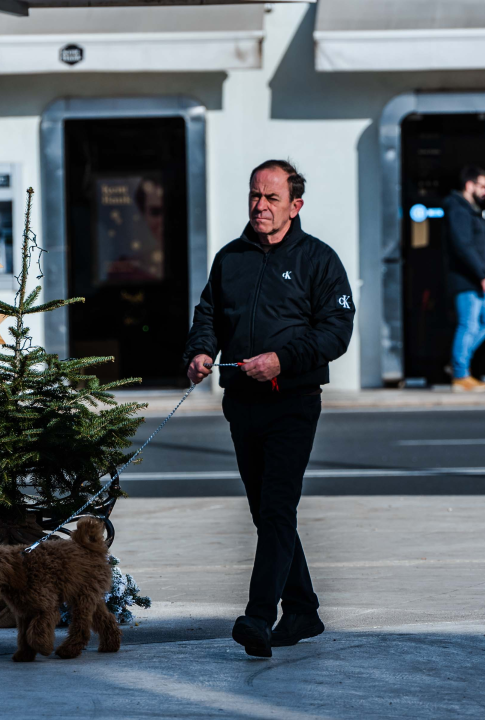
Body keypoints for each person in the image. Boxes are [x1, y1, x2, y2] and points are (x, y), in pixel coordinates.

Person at [183, 160, 354, 657]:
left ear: (295, 206)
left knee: (277, 507)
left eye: (271, 198)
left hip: (293, 403)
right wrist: (199, 352)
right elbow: (209, 315)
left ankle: (260, 616)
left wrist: (282, 359)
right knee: (267, 513)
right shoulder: (230, 258)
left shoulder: (319, 260)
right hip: (241, 403)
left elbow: (335, 333)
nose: (260, 205)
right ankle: (303, 608)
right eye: (255, 196)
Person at [444, 166, 485, 392]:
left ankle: (458, 361)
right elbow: (463, 246)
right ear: (469, 185)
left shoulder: (470, 209)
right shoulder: (458, 210)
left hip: (475, 279)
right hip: (466, 279)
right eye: (482, 186)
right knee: (469, 324)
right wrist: (483, 274)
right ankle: (460, 374)